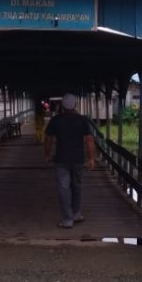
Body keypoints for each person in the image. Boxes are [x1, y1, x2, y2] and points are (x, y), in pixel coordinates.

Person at [43, 93, 96, 228]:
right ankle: (76, 213)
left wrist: (47, 154)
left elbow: (48, 139)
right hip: (78, 159)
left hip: (61, 159)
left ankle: (67, 219)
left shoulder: (56, 120)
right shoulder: (83, 120)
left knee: (64, 188)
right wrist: (91, 158)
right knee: (77, 186)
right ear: (75, 105)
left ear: (62, 105)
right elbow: (89, 140)